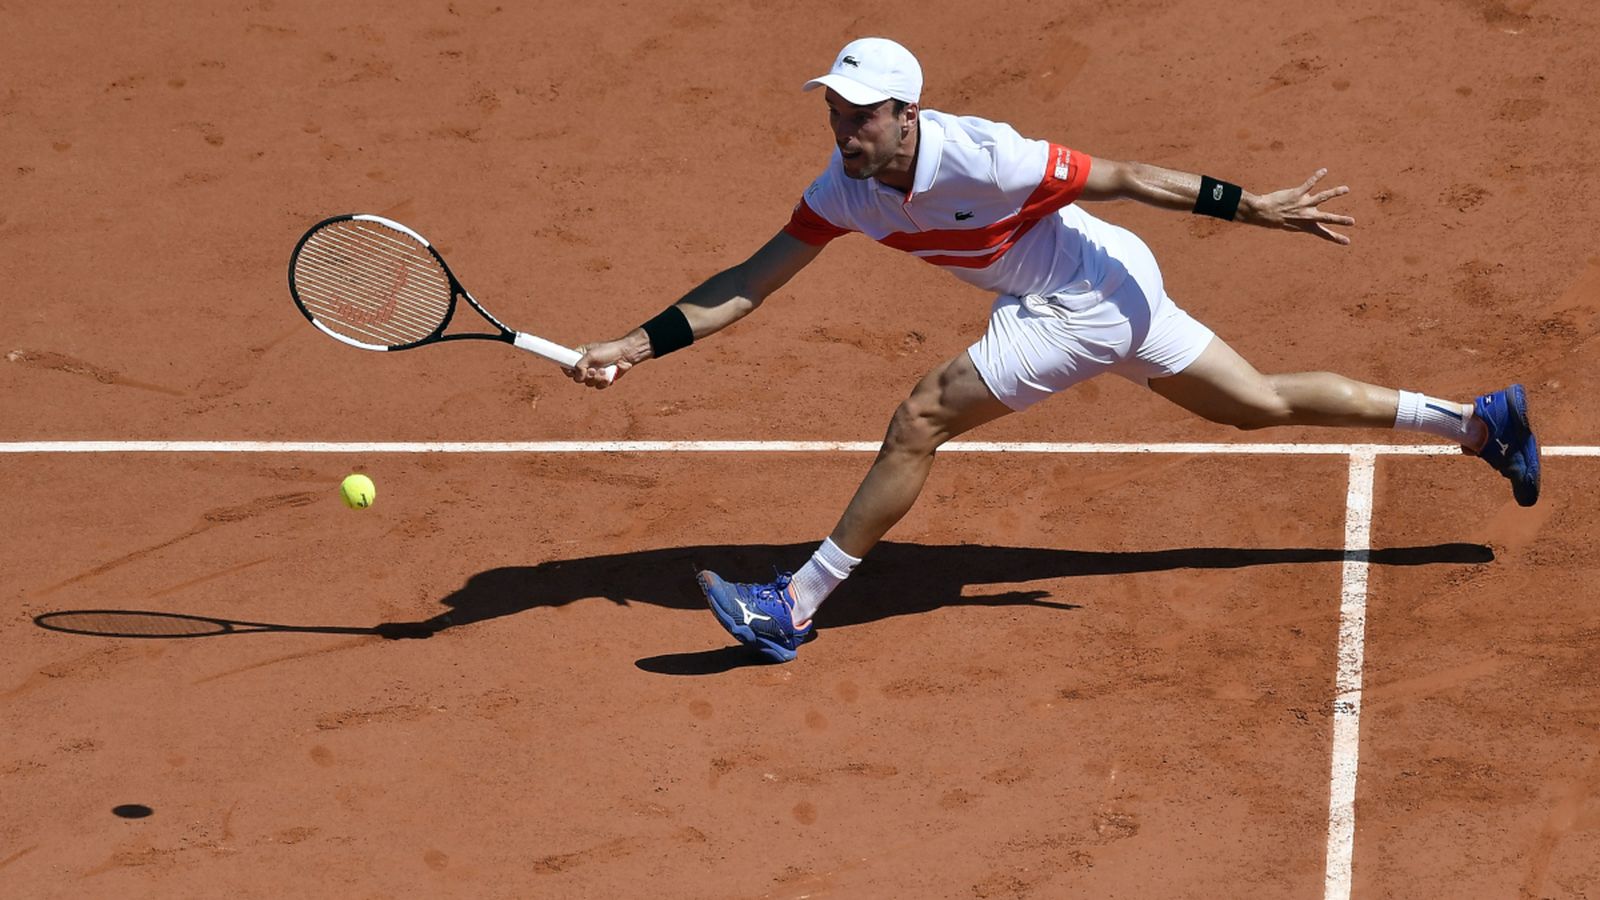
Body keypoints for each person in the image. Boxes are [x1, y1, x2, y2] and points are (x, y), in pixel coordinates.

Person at [566, 37, 1541, 663]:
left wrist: (1253, 207)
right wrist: (632, 346)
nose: (842, 126)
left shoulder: (985, 155)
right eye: (833, 107)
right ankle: (1475, 422)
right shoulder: (843, 187)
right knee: (1256, 405)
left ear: (907, 112)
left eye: (859, 112)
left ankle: (797, 602)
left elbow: (1121, 174)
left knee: (920, 417)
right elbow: (749, 280)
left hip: (1080, 293)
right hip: (1097, 280)